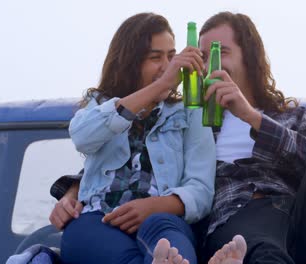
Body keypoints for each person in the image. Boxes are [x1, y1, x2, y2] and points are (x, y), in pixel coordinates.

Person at [50, 11, 306, 264]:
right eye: (202, 54)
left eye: (220, 53)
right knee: (256, 249)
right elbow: (138, 164)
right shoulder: (189, 119)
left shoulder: (288, 115)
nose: (210, 64)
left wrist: (250, 116)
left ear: (249, 58)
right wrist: (73, 190)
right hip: (239, 225)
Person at [54, 12, 218, 264]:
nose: (167, 65)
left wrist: (156, 206)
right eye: (156, 57)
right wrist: (159, 86)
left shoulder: (189, 112)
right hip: (98, 216)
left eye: (171, 56)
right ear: (130, 61)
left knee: (172, 246)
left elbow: (201, 188)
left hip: (163, 218)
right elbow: (82, 138)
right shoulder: (100, 105)